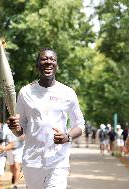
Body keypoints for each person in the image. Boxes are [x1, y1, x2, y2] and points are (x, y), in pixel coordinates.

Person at [7, 48, 85, 189]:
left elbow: (80, 124)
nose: (48, 62)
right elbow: (20, 130)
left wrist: (68, 136)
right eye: (44, 59)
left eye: (52, 60)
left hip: (58, 160)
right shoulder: (25, 92)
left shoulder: (67, 92)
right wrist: (14, 127)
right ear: (37, 65)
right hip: (33, 160)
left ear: (57, 65)